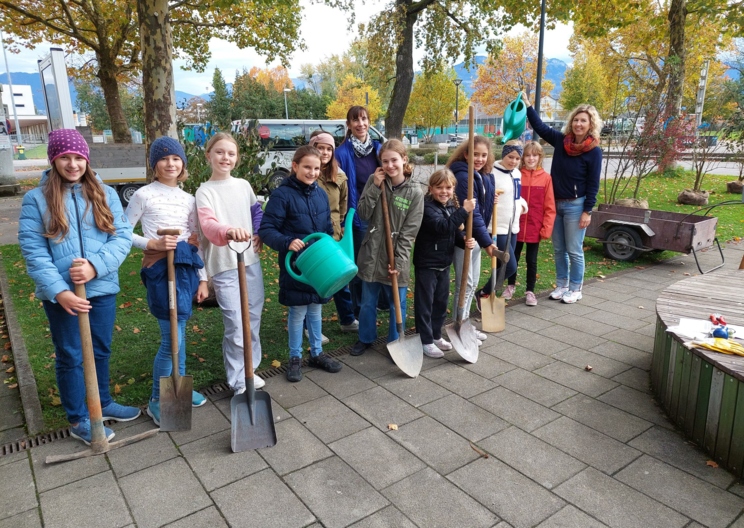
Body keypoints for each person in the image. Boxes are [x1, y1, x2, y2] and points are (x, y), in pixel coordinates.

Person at [18, 129, 138, 445]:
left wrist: (95, 266)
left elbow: (122, 236)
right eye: (65, 157)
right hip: (63, 295)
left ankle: (102, 401)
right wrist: (60, 291)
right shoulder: (36, 199)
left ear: (86, 159)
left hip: (101, 287)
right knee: (71, 354)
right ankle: (79, 417)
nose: (73, 164)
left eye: (78, 157)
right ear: (54, 159)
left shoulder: (104, 193)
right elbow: (33, 251)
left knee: (99, 348)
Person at [124, 136, 210, 425]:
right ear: (154, 165)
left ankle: (179, 388)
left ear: (182, 163)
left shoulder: (190, 199)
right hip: (160, 269)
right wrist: (153, 244)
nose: (170, 163)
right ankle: (157, 399)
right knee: (171, 337)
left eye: (175, 158)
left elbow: (196, 241)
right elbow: (122, 232)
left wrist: (203, 280)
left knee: (180, 331)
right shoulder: (143, 195)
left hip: (184, 268)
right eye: (163, 158)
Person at [259, 145, 344, 382]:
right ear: (294, 166)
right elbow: (266, 230)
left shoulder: (320, 194)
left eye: (316, 168)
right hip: (296, 267)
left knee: (316, 310)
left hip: (319, 265)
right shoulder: (282, 195)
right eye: (307, 167)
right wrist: (287, 242)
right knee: (297, 313)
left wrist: (332, 248)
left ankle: (317, 353)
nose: (312, 172)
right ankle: (295, 357)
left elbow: (327, 229)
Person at [195, 132, 266, 393]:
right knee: (236, 322)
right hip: (225, 263)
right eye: (220, 152)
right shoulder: (204, 192)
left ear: (237, 158)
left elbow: (256, 211)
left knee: (253, 317)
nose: (226, 157)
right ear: (209, 155)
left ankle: (251, 368)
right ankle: (238, 378)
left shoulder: (243, 185)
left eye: (231, 153)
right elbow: (208, 225)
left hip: (249, 260)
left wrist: (257, 232)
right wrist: (227, 231)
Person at [522, 92, 603, 303]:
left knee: (574, 250)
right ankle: (562, 285)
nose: (578, 124)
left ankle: (576, 288)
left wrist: (588, 211)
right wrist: (529, 106)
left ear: (590, 124)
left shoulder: (594, 151)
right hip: (555, 204)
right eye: (576, 119)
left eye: (583, 121)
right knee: (559, 249)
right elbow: (540, 127)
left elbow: (593, 183)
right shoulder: (561, 141)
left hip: (576, 206)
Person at [351, 139, 424, 356]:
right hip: (372, 254)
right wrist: (374, 187)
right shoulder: (375, 181)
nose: (390, 165)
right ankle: (365, 338)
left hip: (395, 257)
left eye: (394, 160)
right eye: (385, 161)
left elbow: (409, 233)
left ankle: (396, 342)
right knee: (367, 302)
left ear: (404, 160)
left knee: (396, 304)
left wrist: (399, 262)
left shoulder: (414, 192)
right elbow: (362, 214)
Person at [446, 136, 504, 343]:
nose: (479, 159)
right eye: (475, 154)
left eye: (483, 155)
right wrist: (488, 242)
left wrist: (490, 197)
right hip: (464, 237)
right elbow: (473, 213)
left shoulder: (484, 175)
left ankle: (465, 323)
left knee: (473, 283)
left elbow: (481, 205)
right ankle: (458, 324)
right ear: (466, 154)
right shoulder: (464, 177)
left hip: (477, 236)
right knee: (466, 283)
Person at [414, 169, 476, 358]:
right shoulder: (428, 208)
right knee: (425, 304)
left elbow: (452, 233)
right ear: (431, 189)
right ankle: (424, 340)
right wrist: (464, 211)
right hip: (427, 264)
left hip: (443, 263)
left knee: (441, 303)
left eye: (448, 187)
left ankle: (435, 335)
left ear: (453, 188)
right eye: (439, 187)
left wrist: (464, 240)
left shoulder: (449, 207)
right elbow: (442, 228)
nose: (444, 191)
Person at [334, 106, 385, 317]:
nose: (360, 124)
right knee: (359, 261)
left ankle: (380, 302)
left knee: (380, 257)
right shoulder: (342, 152)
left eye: (364, 119)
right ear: (349, 125)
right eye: (355, 120)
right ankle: (358, 308)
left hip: (380, 212)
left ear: (369, 122)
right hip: (357, 215)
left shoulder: (379, 149)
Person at [308, 130, 358, 335]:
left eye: (329, 148)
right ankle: (310, 326)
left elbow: (344, 204)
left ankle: (346, 320)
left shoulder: (340, 175)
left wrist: (342, 225)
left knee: (340, 279)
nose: (325, 152)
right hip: (313, 236)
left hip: (334, 235)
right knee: (315, 282)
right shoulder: (309, 173)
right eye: (321, 148)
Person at [476, 140, 528, 304]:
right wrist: (490, 198)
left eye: (517, 158)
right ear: (504, 154)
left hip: (513, 226)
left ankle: (489, 293)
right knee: (509, 266)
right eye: (510, 157)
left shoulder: (517, 173)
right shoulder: (491, 172)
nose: (513, 161)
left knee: (502, 266)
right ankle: (483, 293)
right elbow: (481, 195)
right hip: (497, 227)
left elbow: (517, 197)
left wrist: (522, 206)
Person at [512, 141, 556, 306]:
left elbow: (550, 206)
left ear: (540, 157)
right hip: (517, 225)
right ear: (523, 157)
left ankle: (530, 291)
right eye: (528, 155)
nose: (531, 158)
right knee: (513, 258)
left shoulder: (546, 178)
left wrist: (546, 228)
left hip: (534, 226)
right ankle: (510, 285)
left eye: (534, 155)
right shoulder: (517, 175)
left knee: (532, 260)